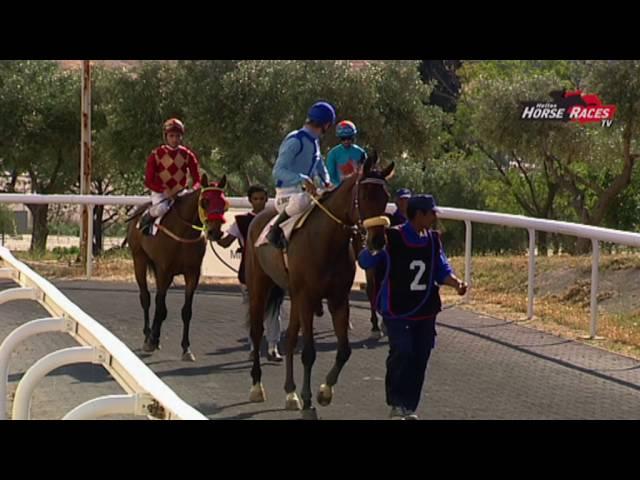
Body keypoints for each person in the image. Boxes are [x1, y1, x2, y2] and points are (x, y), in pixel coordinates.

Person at [357, 195, 468, 420]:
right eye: (431, 213)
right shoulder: (392, 237)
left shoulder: (433, 240)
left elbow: (441, 268)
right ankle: (396, 403)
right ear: (419, 214)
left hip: (425, 310)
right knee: (402, 352)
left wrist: (456, 283)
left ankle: (409, 407)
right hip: (397, 310)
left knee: (420, 356)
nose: (435, 217)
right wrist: (372, 246)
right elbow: (365, 262)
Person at [216, 185, 283, 361]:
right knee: (253, 311)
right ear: (250, 200)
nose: (259, 202)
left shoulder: (277, 219)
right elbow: (225, 243)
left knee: (274, 311)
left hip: (274, 272)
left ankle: (273, 347)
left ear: (267, 199)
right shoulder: (241, 221)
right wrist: (214, 235)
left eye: (262, 198)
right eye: (256, 199)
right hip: (249, 272)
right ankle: (254, 347)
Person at [267, 101, 336, 249]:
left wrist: (327, 182)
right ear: (326, 124)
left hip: (307, 194)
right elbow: (277, 171)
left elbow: (320, 165)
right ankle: (275, 231)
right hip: (287, 196)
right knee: (302, 201)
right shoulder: (295, 140)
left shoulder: (314, 141)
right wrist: (302, 179)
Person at [139, 118, 201, 235]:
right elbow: (148, 181)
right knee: (162, 208)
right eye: (171, 136)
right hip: (161, 193)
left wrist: (192, 190)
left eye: (178, 136)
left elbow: (198, 179)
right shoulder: (156, 154)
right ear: (166, 136)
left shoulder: (187, 155)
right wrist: (164, 190)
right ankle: (146, 219)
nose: (175, 139)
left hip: (181, 193)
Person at [325, 120, 367, 186]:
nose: (346, 141)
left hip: (357, 187)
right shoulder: (333, 153)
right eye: (343, 138)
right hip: (339, 188)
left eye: (349, 138)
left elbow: (365, 172)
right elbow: (331, 174)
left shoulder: (361, 153)